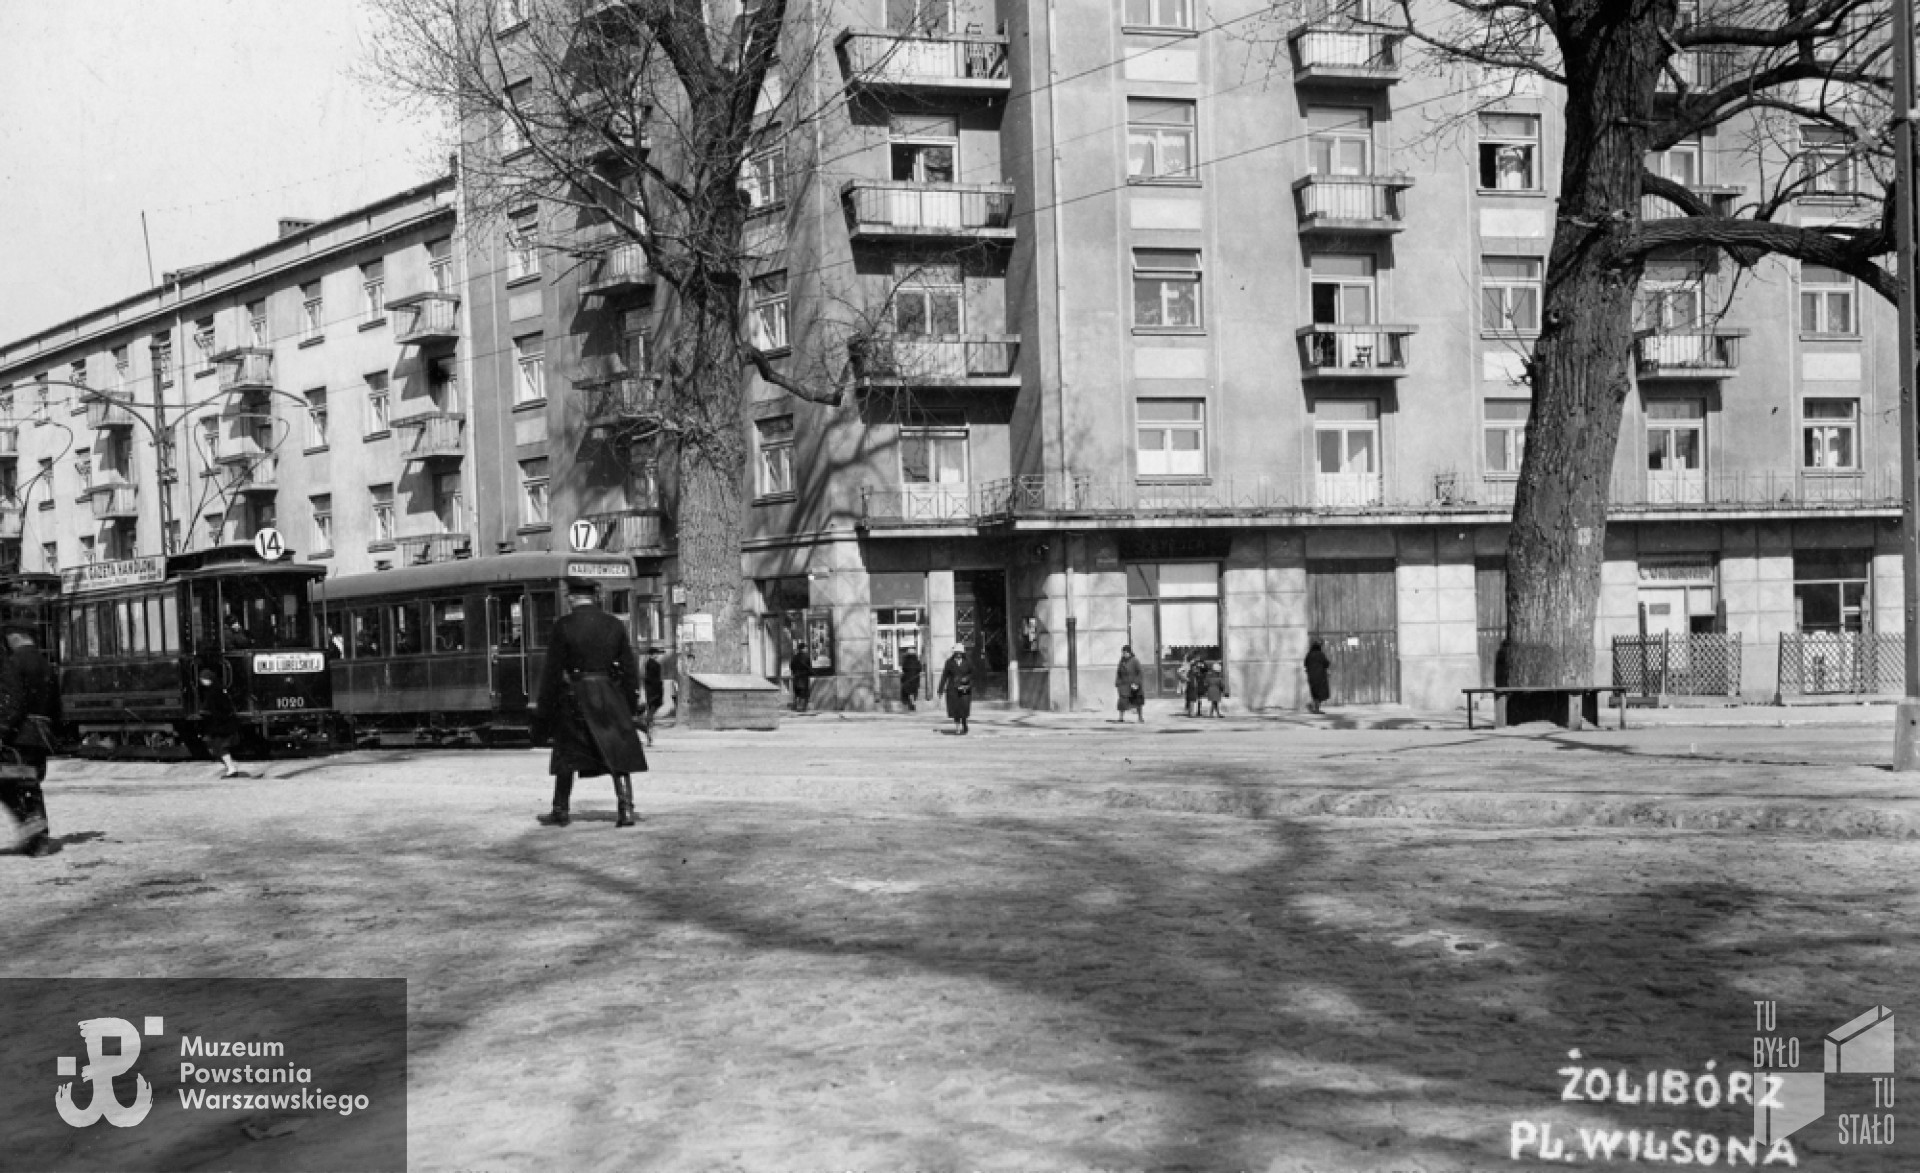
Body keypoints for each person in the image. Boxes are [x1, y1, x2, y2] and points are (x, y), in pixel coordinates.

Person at [533, 580, 648, 828]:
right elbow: (629, 669)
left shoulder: (563, 626)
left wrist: (545, 709)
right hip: (608, 695)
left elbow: (552, 672)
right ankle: (626, 809)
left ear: (572, 598)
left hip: (575, 696)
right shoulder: (614, 624)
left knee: (567, 754)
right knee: (616, 753)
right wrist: (628, 705)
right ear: (594, 598)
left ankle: (560, 810)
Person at [0, 626, 61, 857]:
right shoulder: (46, 664)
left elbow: (12, 701)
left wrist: (4, 731)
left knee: (14, 785)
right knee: (30, 785)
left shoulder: (13, 663)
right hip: (41, 733)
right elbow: (56, 705)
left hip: (20, 733)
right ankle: (39, 838)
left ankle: (35, 836)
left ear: (14, 637)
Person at [197, 664, 246, 778]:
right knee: (219, 747)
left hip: (221, 725)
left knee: (219, 747)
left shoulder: (213, 692)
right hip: (225, 723)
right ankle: (230, 767)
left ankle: (231, 768)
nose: (202, 682)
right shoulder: (220, 690)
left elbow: (215, 709)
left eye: (203, 679)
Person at [936, 645, 973, 735]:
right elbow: (944, 676)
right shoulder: (949, 662)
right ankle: (957, 728)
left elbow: (973, 674)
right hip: (952, 688)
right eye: (957, 653)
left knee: (964, 708)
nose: (958, 654)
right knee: (955, 709)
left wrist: (967, 679)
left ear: (962, 653)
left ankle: (964, 722)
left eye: (960, 653)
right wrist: (940, 689)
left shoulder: (968, 662)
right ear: (954, 653)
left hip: (965, 689)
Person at [641, 647, 665, 748]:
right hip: (654, 692)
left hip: (651, 692)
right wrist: (659, 689)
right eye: (656, 653)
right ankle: (648, 731)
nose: (657, 655)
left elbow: (647, 679)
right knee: (651, 713)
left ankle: (648, 731)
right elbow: (653, 679)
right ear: (652, 654)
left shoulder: (647, 664)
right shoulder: (654, 665)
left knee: (651, 711)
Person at [1115, 645, 1145, 723]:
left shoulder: (1135, 661)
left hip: (1134, 685)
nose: (1124, 654)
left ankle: (1140, 717)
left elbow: (1140, 673)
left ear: (1129, 653)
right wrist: (1117, 682)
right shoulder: (1122, 661)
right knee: (1122, 701)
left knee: (1138, 701)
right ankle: (1121, 717)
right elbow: (1118, 672)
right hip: (1124, 685)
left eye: (1125, 653)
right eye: (1123, 653)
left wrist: (1136, 683)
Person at [1305, 639, 1332, 715]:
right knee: (1321, 693)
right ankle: (1316, 708)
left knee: (1314, 692)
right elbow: (1326, 663)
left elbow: (1305, 663)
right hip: (1320, 677)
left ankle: (1313, 706)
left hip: (1311, 676)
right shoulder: (1320, 654)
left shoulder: (1309, 654)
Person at [789, 646, 813, 712]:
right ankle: (803, 708)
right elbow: (810, 667)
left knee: (797, 692)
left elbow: (791, 666)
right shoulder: (807, 657)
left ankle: (797, 707)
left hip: (796, 676)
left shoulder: (794, 657)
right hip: (804, 677)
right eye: (805, 648)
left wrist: (795, 672)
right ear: (803, 648)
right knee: (804, 692)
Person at [898, 646, 923, 712]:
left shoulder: (906, 661)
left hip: (908, 679)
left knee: (907, 692)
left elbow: (904, 669)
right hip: (915, 680)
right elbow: (920, 669)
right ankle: (913, 702)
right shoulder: (917, 661)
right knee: (914, 692)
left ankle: (909, 705)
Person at [1179, 653, 1201, 718]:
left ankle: (1190, 712)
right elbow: (1180, 672)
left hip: (1191, 684)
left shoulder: (1191, 667)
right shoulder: (1188, 666)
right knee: (1191, 699)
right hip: (1190, 684)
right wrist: (1186, 679)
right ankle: (1191, 713)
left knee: (1191, 699)